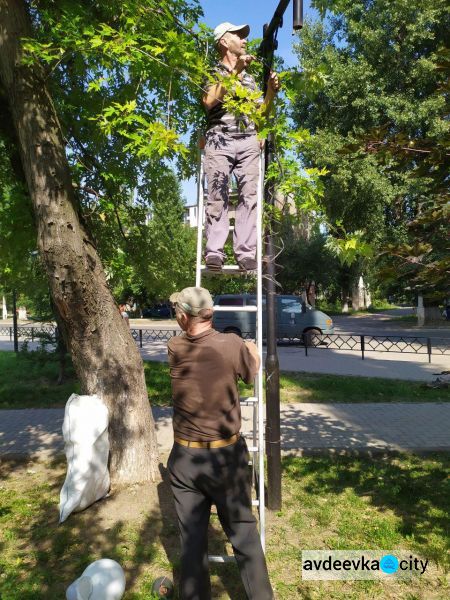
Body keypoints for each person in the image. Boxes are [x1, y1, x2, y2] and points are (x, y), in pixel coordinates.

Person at [167, 286, 274, 600]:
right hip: (226, 457)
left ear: (185, 317)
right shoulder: (232, 345)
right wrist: (252, 351)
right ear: (210, 312)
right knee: (243, 533)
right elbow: (252, 373)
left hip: (186, 458)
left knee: (192, 541)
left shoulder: (174, 346)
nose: (175, 316)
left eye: (177, 312)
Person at [202, 22, 280, 273]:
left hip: (247, 140)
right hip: (220, 139)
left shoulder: (250, 78)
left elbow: (261, 113)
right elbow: (209, 101)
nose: (244, 39)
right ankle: (214, 252)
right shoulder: (212, 71)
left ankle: (245, 253)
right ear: (224, 41)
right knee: (218, 195)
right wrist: (234, 72)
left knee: (249, 197)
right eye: (238, 35)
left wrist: (270, 92)